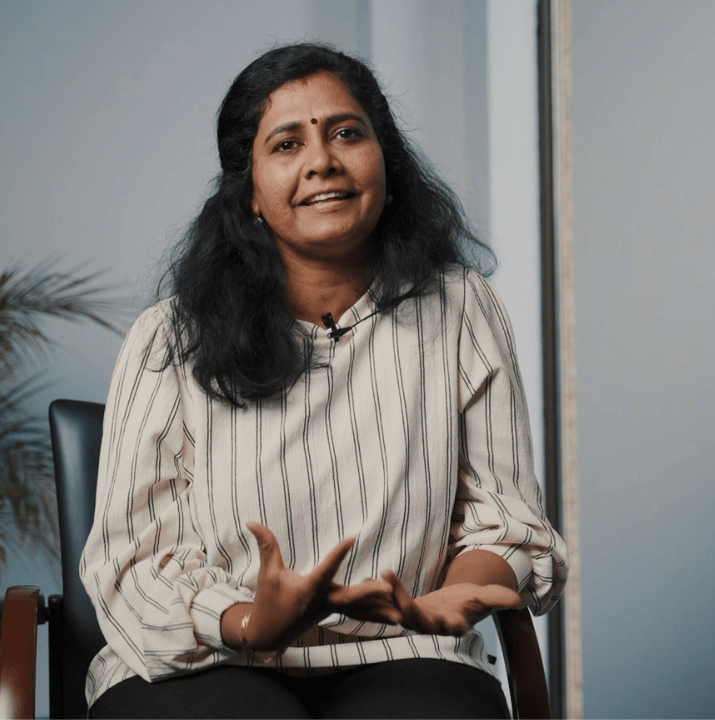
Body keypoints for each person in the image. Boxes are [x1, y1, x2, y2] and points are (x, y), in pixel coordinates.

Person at [80, 42, 568, 719]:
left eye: (346, 133)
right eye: (286, 144)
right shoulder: (170, 336)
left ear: (386, 163)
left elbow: (506, 519)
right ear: (248, 192)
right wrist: (248, 619)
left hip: (406, 650)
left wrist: (455, 594)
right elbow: (130, 563)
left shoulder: (461, 306)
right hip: (210, 655)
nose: (322, 162)